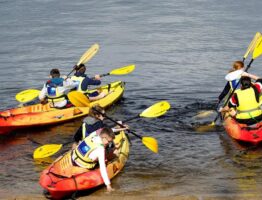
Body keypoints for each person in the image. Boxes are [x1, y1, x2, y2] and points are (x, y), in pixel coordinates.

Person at [71, 127, 117, 192]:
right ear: (104, 138)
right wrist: (108, 185)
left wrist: (116, 129)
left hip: (74, 158)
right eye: (109, 141)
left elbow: (101, 130)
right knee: (110, 154)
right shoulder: (100, 149)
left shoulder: (92, 135)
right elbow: (102, 168)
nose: (109, 143)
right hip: (83, 165)